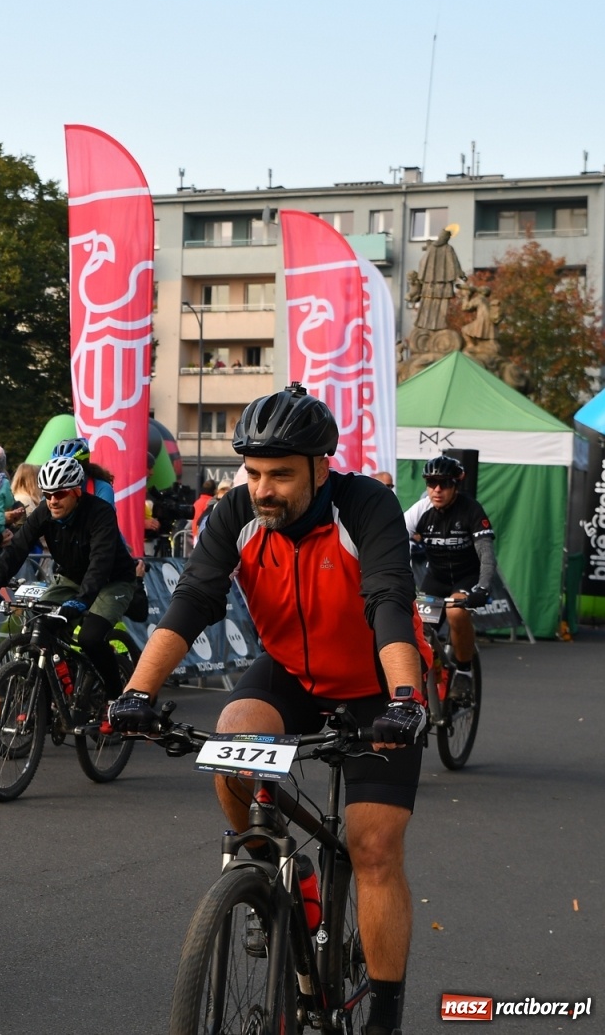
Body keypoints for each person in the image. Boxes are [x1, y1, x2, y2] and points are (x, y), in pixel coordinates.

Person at [107, 384, 432, 1035]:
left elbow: (389, 602)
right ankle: (261, 875)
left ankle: (385, 1018)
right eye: (253, 472)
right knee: (232, 743)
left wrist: (405, 700)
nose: (263, 488)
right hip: (290, 672)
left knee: (372, 848)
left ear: (320, 467)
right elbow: (193, 602)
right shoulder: (236, 513)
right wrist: (137, 693)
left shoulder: (366, 506)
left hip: (375, 683)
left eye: (280, 474)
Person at [0, 454, 139, 698]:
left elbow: (100, 563)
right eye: (47, 494)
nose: (52, 500)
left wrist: (82, 601)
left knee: (90, 638)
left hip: (112, 580)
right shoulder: (44, 512)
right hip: (72, 578)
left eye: (60, 494)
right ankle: (60, 687)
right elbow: (17, 549)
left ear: (76, 492)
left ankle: (116, 699)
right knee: (42, 627)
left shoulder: (100, 512)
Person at [403, 454, 494, 696]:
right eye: (431, 483)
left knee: (456, 612)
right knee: (421, 631)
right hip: (436, 579)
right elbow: (394, 543)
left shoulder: (471, 509)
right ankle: (435, 683)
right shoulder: (421, 510)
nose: (437, 489)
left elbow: (486, 554)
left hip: (467, 577)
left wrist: (483, 588)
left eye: (444, 483)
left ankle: (464, 672)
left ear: (456, 485)